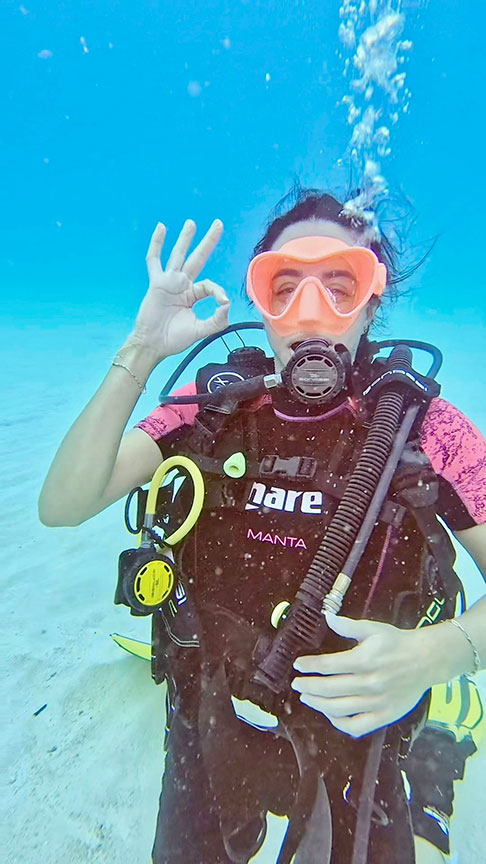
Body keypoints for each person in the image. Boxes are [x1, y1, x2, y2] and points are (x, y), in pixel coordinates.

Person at [39, 188, 486, 864]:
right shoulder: (209, 411)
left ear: (372, 302)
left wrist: (442, 654)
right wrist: (142, 349)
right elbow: (64, 503)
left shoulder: (427, 432)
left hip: (358, 743)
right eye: (285, 286)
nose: (310, 312)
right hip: (210, 720)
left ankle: (433, 757)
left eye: (339, 286)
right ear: (262, 301)